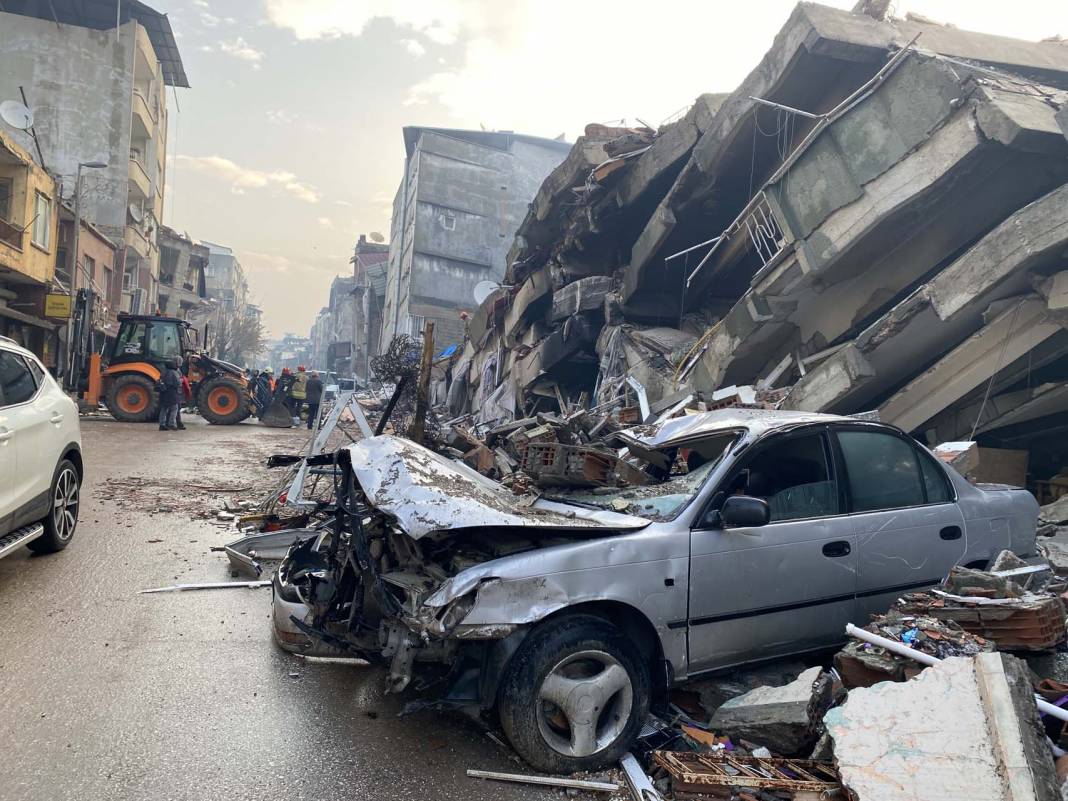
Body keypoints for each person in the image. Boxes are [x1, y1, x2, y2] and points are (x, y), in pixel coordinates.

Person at [158, 356, 182, 431]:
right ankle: (171, 424)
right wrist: (181, 381)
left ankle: (162, 425)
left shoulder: (163, 371)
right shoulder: (174, 372)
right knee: (175, 408)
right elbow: (177, 383)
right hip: (172, 392)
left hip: (163, 392)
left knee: (164, 409)